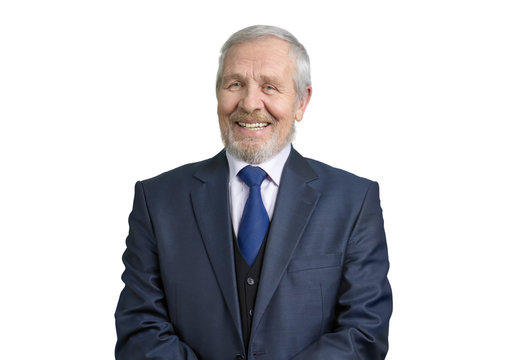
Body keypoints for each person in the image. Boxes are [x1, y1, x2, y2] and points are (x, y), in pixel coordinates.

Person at [115, 25, 392, 360]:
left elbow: (363, 333)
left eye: (270, 87)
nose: (249, 103)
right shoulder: (157, 200)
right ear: (218, 94)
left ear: (302, 102)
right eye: (235, 84)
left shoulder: (354, 202)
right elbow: (139, 330)